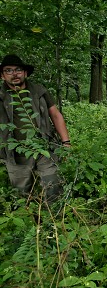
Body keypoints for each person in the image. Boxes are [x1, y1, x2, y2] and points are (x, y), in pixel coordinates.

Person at [0, 54, 71, 204]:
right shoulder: (1, 96)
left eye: (18, 70)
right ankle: (28, 223)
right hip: (15, 152)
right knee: (21, 193)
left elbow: (56, 115)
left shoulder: (39, 91)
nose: (14, 74)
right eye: (9, 70)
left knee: (53, 184)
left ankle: (53, 220)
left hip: (44, 146)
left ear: (25, 72)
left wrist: (66, 142)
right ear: (2, 75)